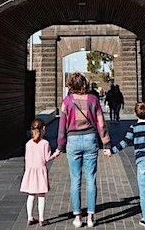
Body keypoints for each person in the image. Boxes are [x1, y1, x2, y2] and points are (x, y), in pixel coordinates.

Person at [57, 72, 112, 228]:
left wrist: (60, 145)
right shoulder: (93, 100)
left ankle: (77, 217)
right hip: (90, 140)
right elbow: (101, 123)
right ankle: (90, 216)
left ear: (71, 85)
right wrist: (106, 144)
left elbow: (62, 125)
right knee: (91, 178)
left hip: (72, 141)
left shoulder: (67, 101)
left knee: (75, 180)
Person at [109, 102, 145, 227]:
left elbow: (125, 142)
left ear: (135, 113)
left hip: (142, 160)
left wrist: (112, 151)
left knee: (144, 191)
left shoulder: (134, 128)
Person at [20, 118, 60, 226]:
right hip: (40, 172)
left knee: (31, 195)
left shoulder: (28, 143)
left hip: (30, 172)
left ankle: (30, 217)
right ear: (43, 129)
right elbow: (47, 158)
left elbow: (27, 158)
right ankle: (42, 219)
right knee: (41, 196)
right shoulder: (45, 143)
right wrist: (56, 153)